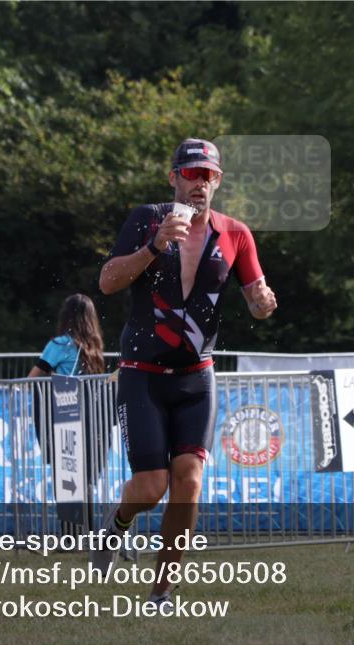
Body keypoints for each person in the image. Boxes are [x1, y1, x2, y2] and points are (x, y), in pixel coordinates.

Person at [95, 138, 277, 609]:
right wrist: (155, 246)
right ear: (173, 176)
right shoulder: (147, 218)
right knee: (152, 488)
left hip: (197, 376)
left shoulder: (235, 232)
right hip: (142, 373)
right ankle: (116, 524)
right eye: (192, 174)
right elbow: (108, 281)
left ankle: (163, 589)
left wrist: (261, 303)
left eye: (210, 176)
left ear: (218, 181)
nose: (201, 184)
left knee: (190, 480)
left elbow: (258, 298)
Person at [28, 293, 106, 378]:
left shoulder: (61, 343)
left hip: (67, 391)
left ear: (65, 316)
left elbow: (32, 377)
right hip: (91, 391)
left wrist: (16, 388)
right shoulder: (94, 344)